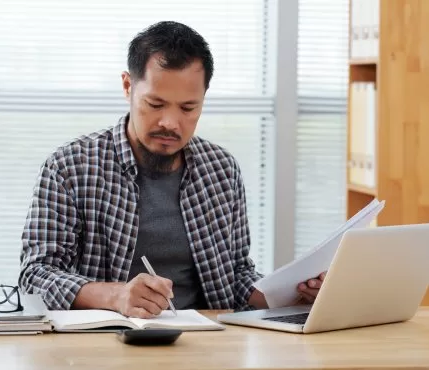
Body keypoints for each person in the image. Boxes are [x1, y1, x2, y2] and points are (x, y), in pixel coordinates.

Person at [19, 21, 325, 318]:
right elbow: (34, 277)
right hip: (103, 342)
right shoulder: (71, 167)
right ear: (128, 86)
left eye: (188, 108)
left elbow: (235, 276)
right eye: (155, 104)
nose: (170, 123)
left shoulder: (221, 169)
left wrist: (293, 295)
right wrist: (117, 296)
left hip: (208, 343)